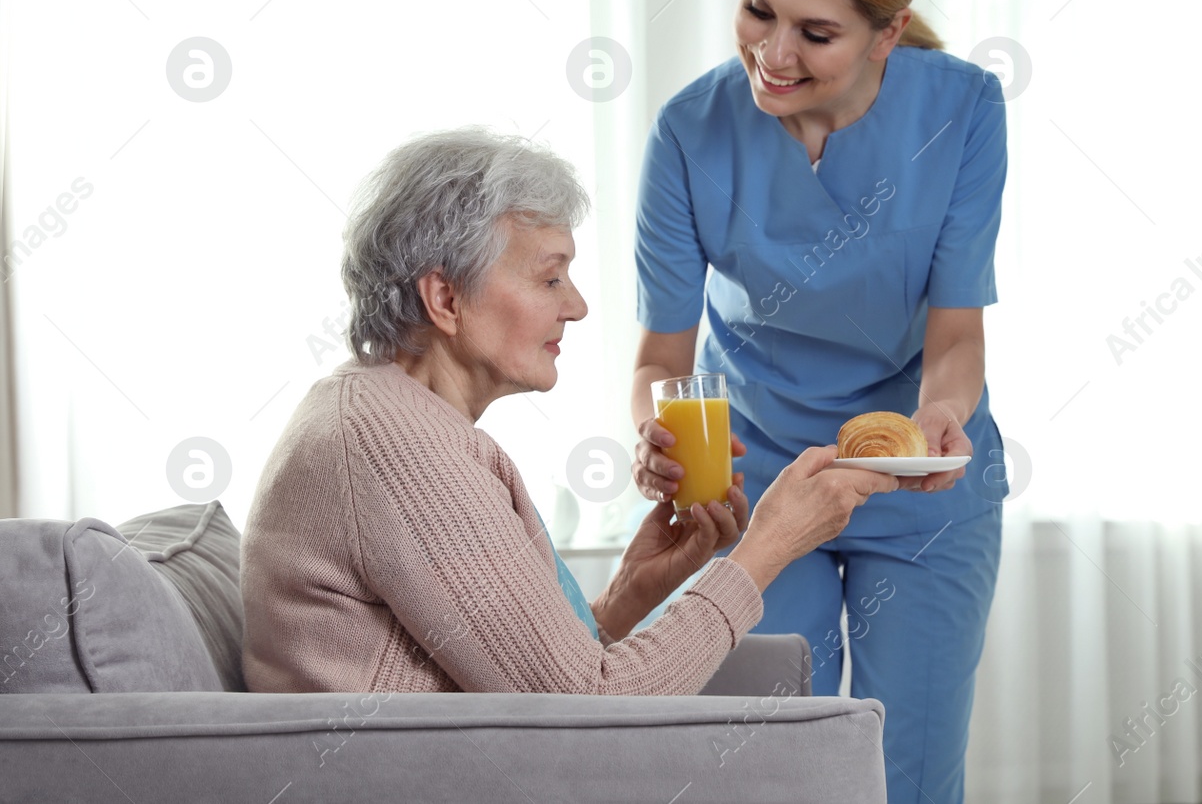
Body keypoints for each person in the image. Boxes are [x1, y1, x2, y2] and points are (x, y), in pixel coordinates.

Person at [240, 126, 896, 696]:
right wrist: (769, 545)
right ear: (444, 297)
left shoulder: (386, 416)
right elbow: (592, 706)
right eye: (550, 277)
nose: (576, 305)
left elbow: (538, 678)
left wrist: (632, 590)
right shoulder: (389, 442)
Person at [631, 0, 1007, 802]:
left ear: (889, 31)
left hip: (920, 477)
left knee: (909, 771)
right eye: (760, 9)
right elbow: (660, 360)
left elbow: (957, 330)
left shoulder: (962, 111)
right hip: (752, 489)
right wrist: (658, 434)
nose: (773, 52)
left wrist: (944, 416)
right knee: (764, 767)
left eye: (817, 32)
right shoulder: (688, 131)